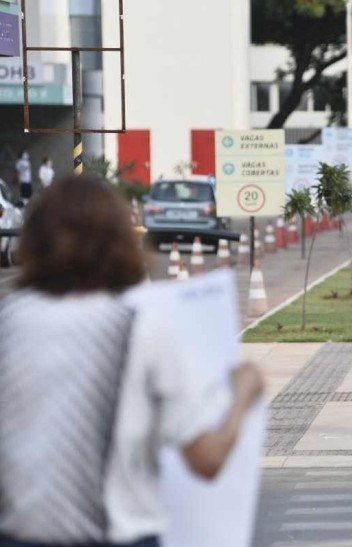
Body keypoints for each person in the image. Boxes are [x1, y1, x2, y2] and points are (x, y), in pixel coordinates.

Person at [0, 175, 264, 546]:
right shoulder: (140, 327)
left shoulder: (9, 322)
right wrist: (242, 394)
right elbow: (206, 460)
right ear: (121, 241)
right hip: (119, 535)